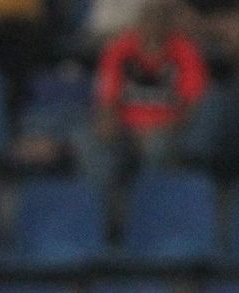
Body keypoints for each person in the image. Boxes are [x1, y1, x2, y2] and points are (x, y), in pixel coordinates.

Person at [82, 0, 209, 188]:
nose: (152, 27)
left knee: (158, 146)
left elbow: (192, 103)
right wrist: (111, 123)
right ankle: (102, 203)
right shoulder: (120, 48)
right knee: (92, 142)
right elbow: (107, 98)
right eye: (148, 21)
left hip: (166, 127)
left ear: (168, 26)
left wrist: (163, 128)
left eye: (159, 21)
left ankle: (153, 203)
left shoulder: (185, 50)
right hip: (125, 126)